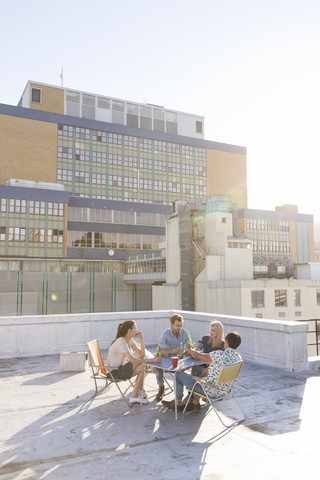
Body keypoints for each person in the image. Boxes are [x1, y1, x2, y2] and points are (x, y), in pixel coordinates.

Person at [162, 331, 242, 411]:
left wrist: (189, 349)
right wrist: (210, 368)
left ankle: (177, 403)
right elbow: (223, 366)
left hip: (209, 389)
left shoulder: (220, 355)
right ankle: (195, 403)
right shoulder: (238, 357)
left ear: (226, 341)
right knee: (199, 370)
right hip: (224, 390)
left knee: (178, 374)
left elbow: (197, 356)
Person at [106, 320, 161, 405]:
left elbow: (142, 354)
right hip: (113, 373)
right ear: (129, 330)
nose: (137, 330)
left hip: (120, 370)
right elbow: (133, 360)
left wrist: (141, 339)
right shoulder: (121, 341)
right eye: (135, 328)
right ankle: (138, 391)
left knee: (143, 366)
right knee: (141, 362)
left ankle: (134, 395)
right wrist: (152, 360)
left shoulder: (130, 340)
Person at [155, 313, 192, 401]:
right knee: (157, 361)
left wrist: (189, 348)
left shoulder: (185, 333)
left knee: (194, 362)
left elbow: (189, 347)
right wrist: (172, 351)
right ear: (171, 324)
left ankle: (190, 389)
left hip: (180, 360)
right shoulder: (165, 333)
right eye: (177, 325)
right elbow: (160, 350)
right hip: (168, 359)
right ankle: (161, 387)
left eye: (181, 325)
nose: (179, 328)